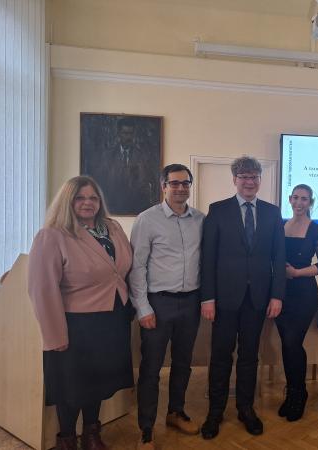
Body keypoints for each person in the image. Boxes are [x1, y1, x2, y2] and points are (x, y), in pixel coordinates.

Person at [28, 176, 134, 450]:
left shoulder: (112, 228)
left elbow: (121, 271)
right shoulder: (52, 235)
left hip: (111, 319)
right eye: (80, 198)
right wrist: (55, 335)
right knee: (71, 387)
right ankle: (66, 440)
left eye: (93, 198)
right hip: (76, 325)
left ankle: (91, 434)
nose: (88, 203)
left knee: (98, 382)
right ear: (68, 201)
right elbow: (42, 289)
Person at [200, 156, 285, 439]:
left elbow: (278, 257)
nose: (249, 182)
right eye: (244, 176)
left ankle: (246, 409)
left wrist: (277, 295)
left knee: (250, 356)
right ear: (235, 180)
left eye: (254, 177)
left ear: (260, 180)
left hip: (257, 299)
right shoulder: (218, 210)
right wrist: (207, 298)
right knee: (221, 356)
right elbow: (208, 258)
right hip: (224, 299)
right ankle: (215, 411)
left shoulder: (272, 213)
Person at [129, 164, 205, 450]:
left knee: (183, 363)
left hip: (191, 302)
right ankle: (146, 429)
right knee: (151, 368)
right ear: (163, 186)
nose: (180, 188)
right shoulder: (147, 220)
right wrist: (143, 307)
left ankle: (176, 412)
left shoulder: (200, 220)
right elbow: (137, 267)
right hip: (158, 304)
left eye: (185, 183)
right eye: (174, 183)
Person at [276, 184, 318, 422]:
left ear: (310, 203)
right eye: (296, 198)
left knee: (293, 342)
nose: (299, 203)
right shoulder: (280, 226)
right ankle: (291, 392)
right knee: (286, 344)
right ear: (290, 199)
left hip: (303, 293)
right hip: (280, 293)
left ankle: (299, 394)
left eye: (304, 199)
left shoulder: (317, 230)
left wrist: (297, 273)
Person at [93, 117, 160, 215]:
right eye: (125, 133)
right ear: (119, 134)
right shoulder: (108, 156)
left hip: (137, 205)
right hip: (112, 205)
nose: (128, 137)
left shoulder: (143, 156)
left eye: (131, 133)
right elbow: (102, 180)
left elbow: (151, 180)